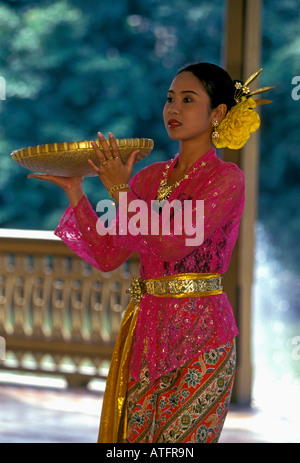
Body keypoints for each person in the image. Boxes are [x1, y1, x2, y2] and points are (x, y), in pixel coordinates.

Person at [29, 62, 273, 443]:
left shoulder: (225, 179)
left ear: (218, 113)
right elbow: (108, 254)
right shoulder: (146, 177)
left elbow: (176, 243)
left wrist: (121, 194)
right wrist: (76, 191)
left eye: (188, 100)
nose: (172, 109)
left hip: (203, 335)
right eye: (170, 99)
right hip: (147, 334)